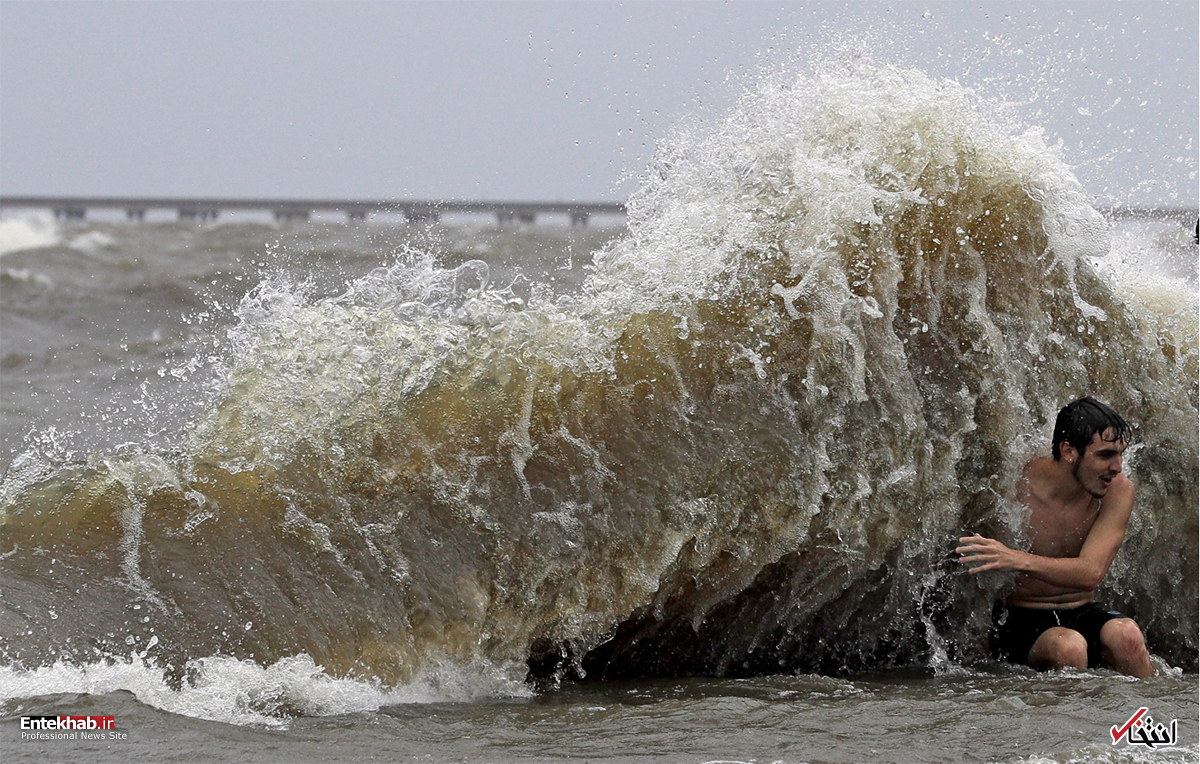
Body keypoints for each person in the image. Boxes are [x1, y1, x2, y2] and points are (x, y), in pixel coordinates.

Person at [955, 397, 1155, 677]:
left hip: (1081, 610)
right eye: (1105, 455)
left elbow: (1091, 573)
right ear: (1068, 450)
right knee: (1069, 648)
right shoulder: (1011, 486)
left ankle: (1149, 718)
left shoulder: (1118, 490)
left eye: (1120, 454)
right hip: (1020, 618)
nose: (1118, 467)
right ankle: (1070, 720)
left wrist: (1015, 559)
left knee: (1128, 636)